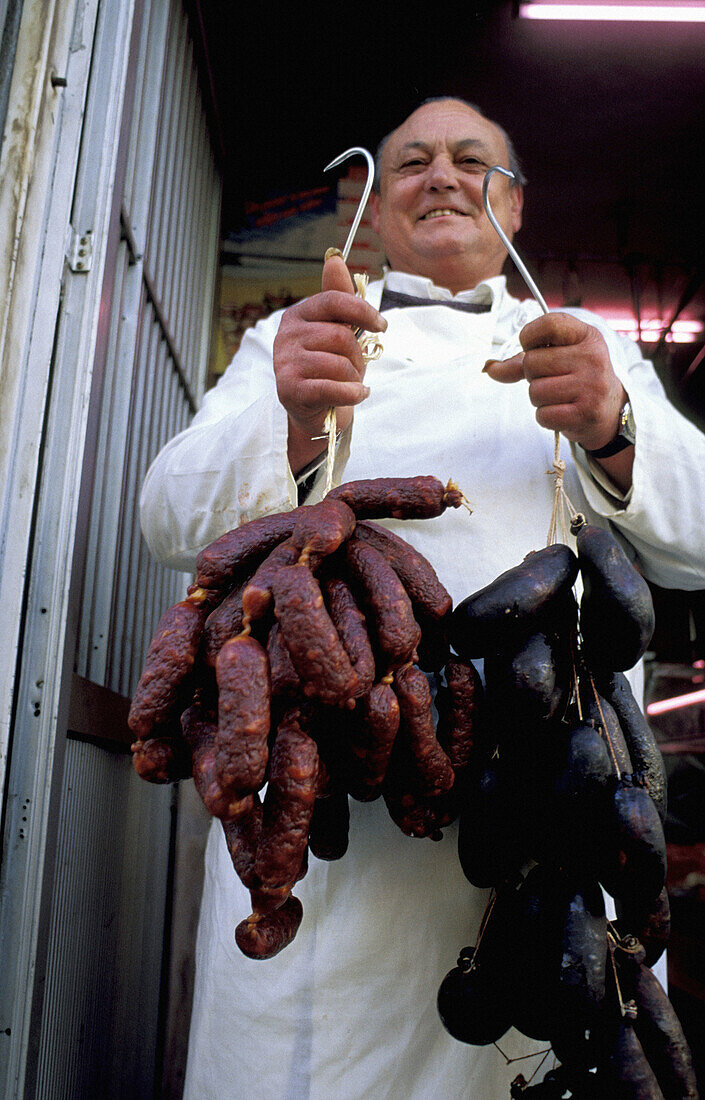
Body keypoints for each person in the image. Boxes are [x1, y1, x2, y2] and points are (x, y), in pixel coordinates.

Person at [141, 99, 705, 1099]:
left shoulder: (586, 347)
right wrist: (295, 422)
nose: (440, 174)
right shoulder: (294, 334)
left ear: (516, 207)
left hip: (555, 811)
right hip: (336, 825)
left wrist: (617, 429)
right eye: (411, 161)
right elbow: (168, 515)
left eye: (471, 159)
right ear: (367, 199)